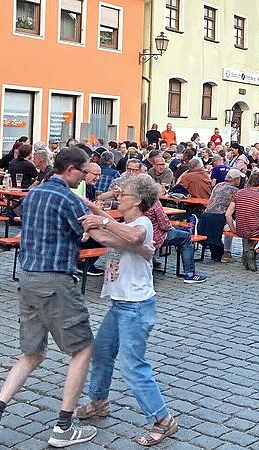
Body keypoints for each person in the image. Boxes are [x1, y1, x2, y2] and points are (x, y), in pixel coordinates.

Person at [0, 147, 97, 449]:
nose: (84, 178)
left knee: (32, 354)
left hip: (27, 278)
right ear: (70, 169)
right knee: (82, 349)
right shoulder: (68, 199)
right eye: (83, 172)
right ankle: (63, 427)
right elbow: (85, 234)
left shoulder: (34, 193)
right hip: (55, 279)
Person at [76, 175, 179, 446]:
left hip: (135, 306)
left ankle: (163, 419)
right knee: (102, 352)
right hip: (119, 304)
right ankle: (98, 401)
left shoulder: (142, 223)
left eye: (124, 194)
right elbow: (113, 236)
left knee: (133, 364)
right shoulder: (126, 224)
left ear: (138, 200)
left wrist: (100, 222)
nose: (118, 196)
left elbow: (132, 236)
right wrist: (89, 210)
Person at [227, 171, 259, 271]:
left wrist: (233, 229)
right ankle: (253, 252)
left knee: (253, 229)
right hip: (255, 230)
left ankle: (248, 252)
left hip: (240, 229)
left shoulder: (238, 193)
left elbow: (228, 214)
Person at [198, 169, 242, 262]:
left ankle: (224, 252)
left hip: (205, 217)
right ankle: (227, 252)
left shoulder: (218, 185)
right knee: (239, 227)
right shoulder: (235, 191)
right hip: (218, 219)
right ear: (236, 179)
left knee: (229, 221)